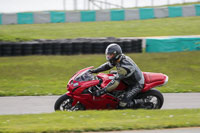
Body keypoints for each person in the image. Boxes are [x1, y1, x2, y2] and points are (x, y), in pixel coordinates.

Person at [90, 43, 144, 108]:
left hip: (136, 84)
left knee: (122, 104)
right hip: (127, 78)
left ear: (116, 55)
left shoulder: (124, 66)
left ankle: (141, 103)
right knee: (110, 75)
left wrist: (101, 91)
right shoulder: (118, 59)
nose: (108, 56)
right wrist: (95, 70)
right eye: (108, 54)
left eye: (111, 55)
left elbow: (115, 83)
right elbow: (107, 66)